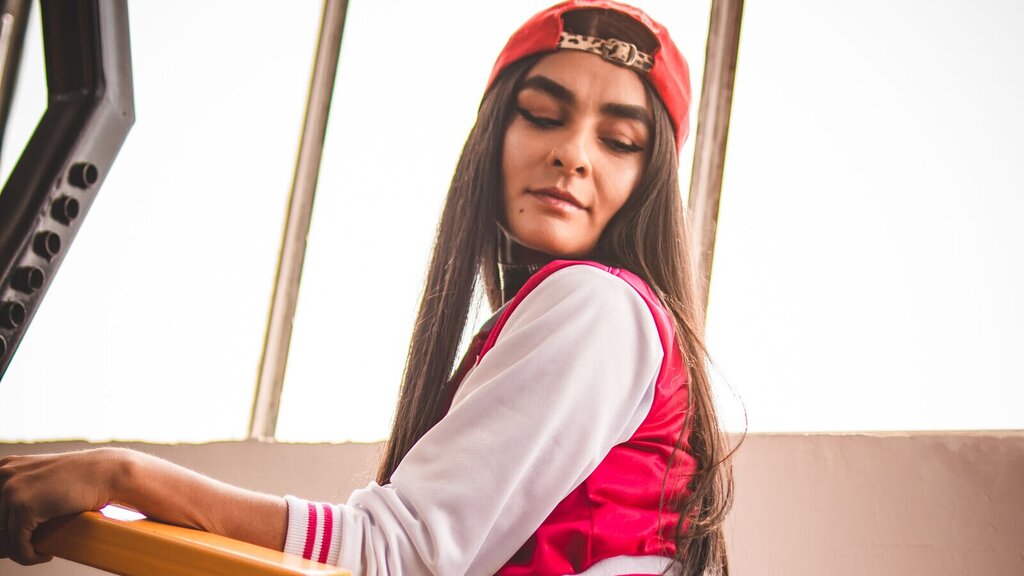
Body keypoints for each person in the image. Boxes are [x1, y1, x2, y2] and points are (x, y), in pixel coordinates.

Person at [0, 1, 734, 574]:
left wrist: (122, 474)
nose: (572, 153)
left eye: (619, 140)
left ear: (650, 183)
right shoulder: (571, 317)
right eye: (543, 115)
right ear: (494, 138)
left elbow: (393, 558)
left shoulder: (597, 305)